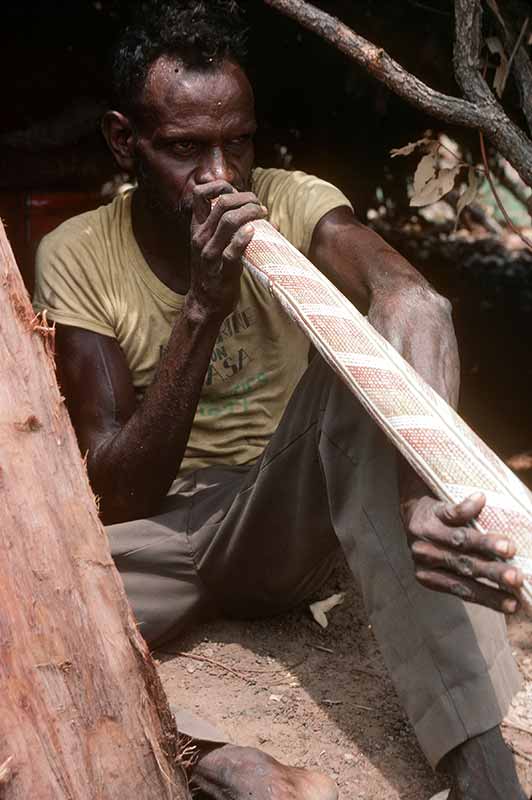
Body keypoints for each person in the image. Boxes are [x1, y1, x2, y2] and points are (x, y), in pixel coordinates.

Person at [33, 2, 528, 798]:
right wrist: (202, 305)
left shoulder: (292, 201)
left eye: (239, 142)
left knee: (361, 364)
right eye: (186, 150)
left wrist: (422, 495)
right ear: (125, 141)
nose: (221, 176)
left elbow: (416, 306)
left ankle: (484, 773)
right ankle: (201, 757)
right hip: (156, 533)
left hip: (280, 515)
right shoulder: (79, 253)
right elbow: (118, 489)